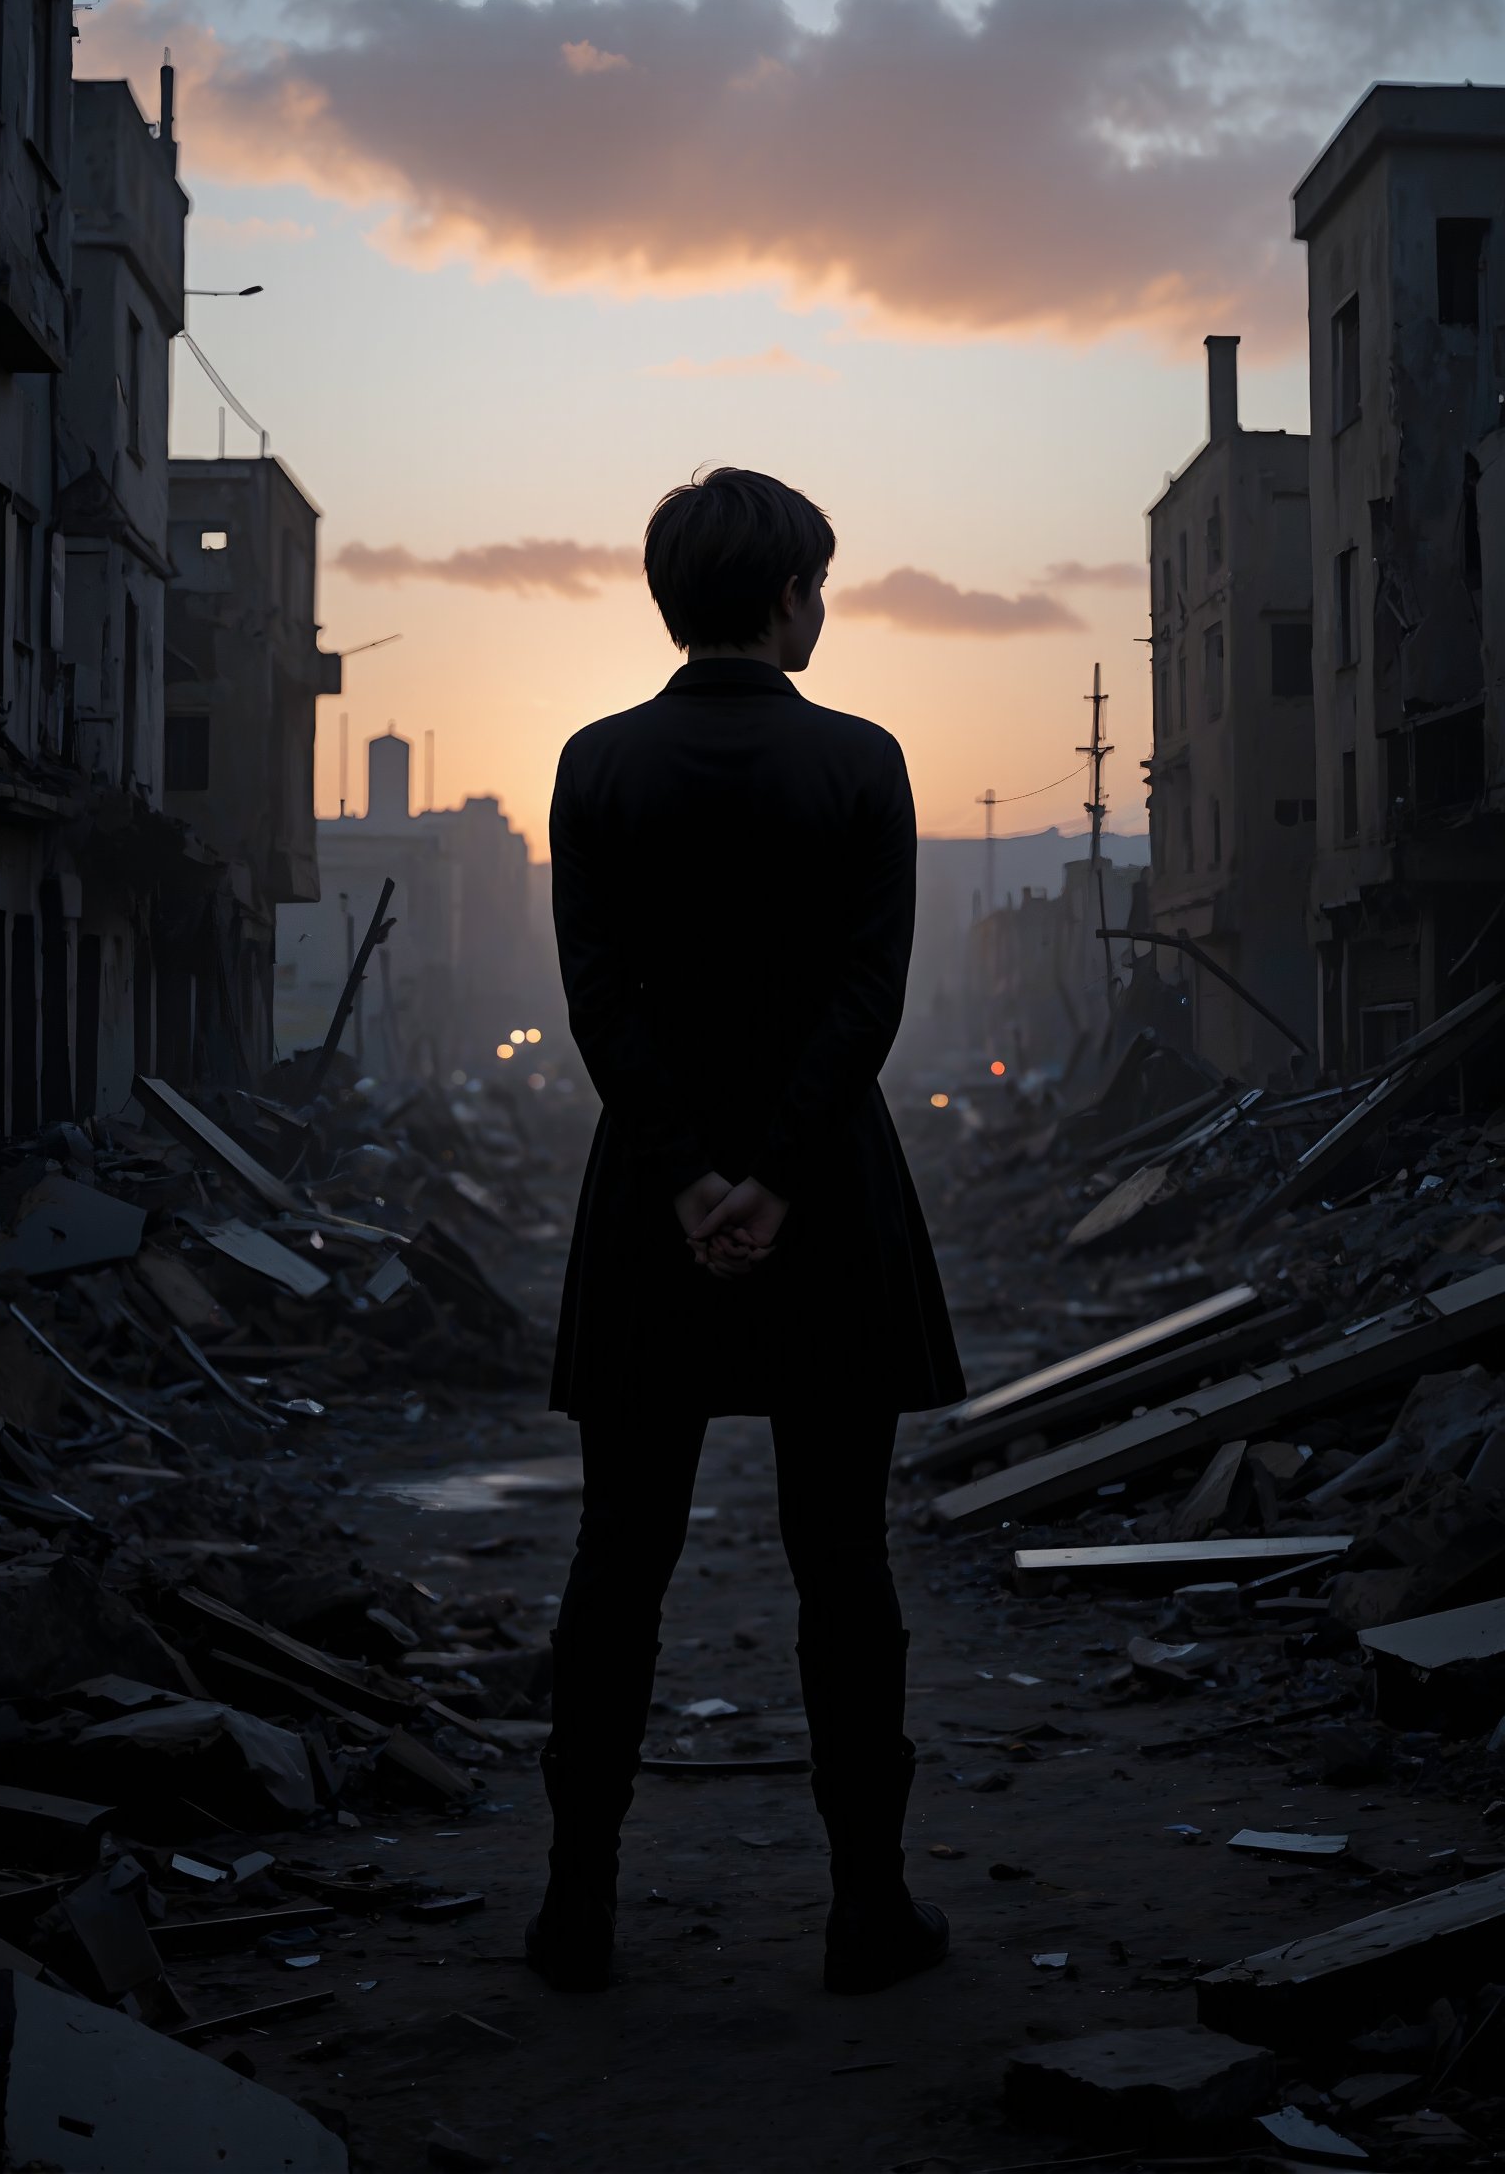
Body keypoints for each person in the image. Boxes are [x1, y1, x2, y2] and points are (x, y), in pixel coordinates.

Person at [529, 465, 965, 1995]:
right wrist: (775, 1175)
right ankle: (867, 1911)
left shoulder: (595, 766)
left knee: (619, 1555)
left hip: (652, 1215)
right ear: (790, 595)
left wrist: (689, 1176)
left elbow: (598, 999)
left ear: (671, 598)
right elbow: (869, 996)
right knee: (842, 1557)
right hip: (828, 1207)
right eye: (820, 585)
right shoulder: (864, 762)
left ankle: (575, 1908)